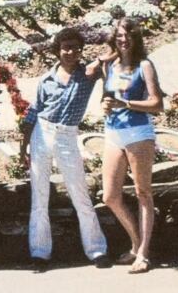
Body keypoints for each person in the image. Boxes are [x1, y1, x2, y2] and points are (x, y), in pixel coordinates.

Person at [20, 27, 111, 272]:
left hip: (68, 136)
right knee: (39, 195)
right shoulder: (46, 80)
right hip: (42, 133)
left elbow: (113, 53)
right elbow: (33, 112)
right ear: (57, 50)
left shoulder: (87, 73)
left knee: (79, 192)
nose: (71, 52)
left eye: (76, 47)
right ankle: (39, 253)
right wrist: (23, 146)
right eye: (66, 47)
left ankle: (97, 250)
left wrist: (104, 61)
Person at [100, 17, 164, 274]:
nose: (124, 41)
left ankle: (144, 254)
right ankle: (135, 242)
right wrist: (105, 105)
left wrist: (125, 104)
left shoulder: (145, 65)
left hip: (138, 132)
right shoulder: (111, 65)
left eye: (128, 36)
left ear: (136, 39)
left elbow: (157, 104)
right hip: (114, 132)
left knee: (143, 193)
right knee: (110, 196)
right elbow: (107, 97)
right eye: (119, 36)